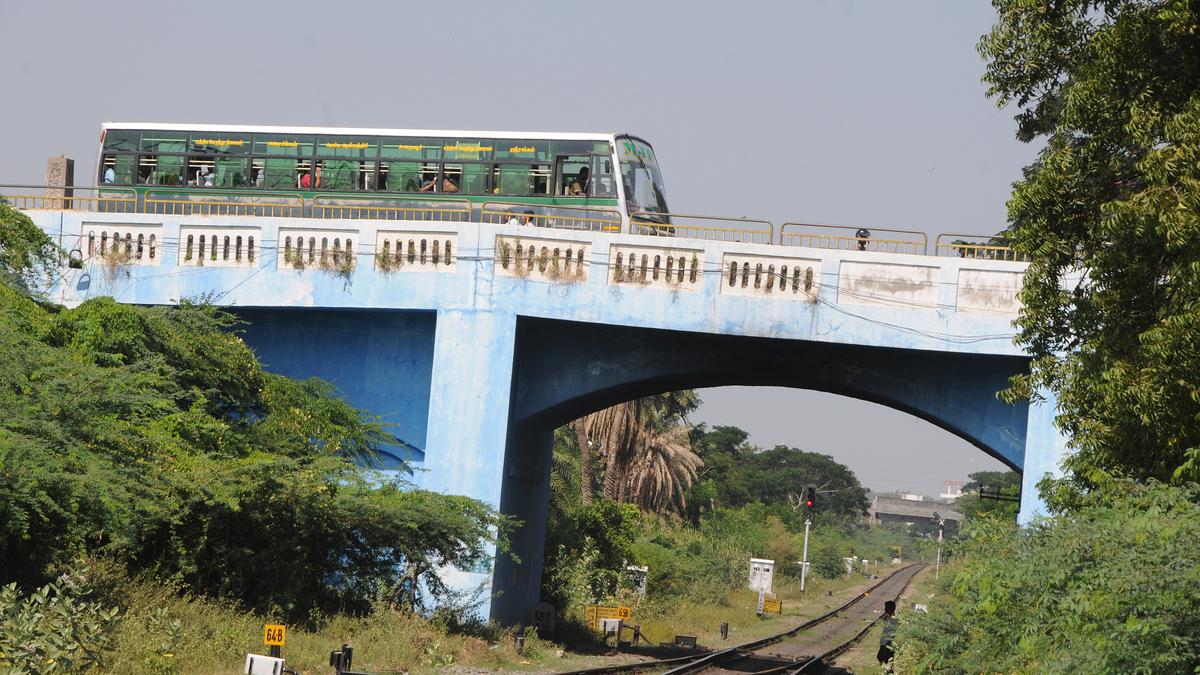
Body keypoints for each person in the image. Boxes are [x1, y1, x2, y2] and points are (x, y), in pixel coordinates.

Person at [877, 600, 897, 672]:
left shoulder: (893, 620)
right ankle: (889, 671)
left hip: (887, 644)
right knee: (884, 660)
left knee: (882, 658)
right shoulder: (889, 618)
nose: (884, 609)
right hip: (885, 644)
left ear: (890, 609)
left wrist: (886, 645)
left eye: (886, 608)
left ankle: (889, 672)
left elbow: (892, 634)